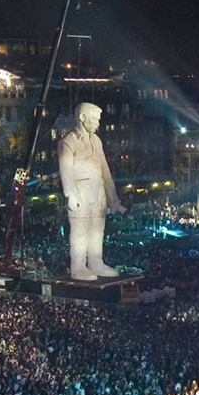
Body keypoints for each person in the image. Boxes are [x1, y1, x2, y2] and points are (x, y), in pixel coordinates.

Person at [57, 102, 125, 281]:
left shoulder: (96, 141)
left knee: (97, 231)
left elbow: (105, 170)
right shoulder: (67, 142)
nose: (97, 122)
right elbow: (66, 171)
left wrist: (113, 198)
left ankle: (96, 262)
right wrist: (70, 194)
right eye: (94, 118)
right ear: (82, 117)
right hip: (80, 191)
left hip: (98, 192)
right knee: (80, 232)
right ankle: (78, 267)